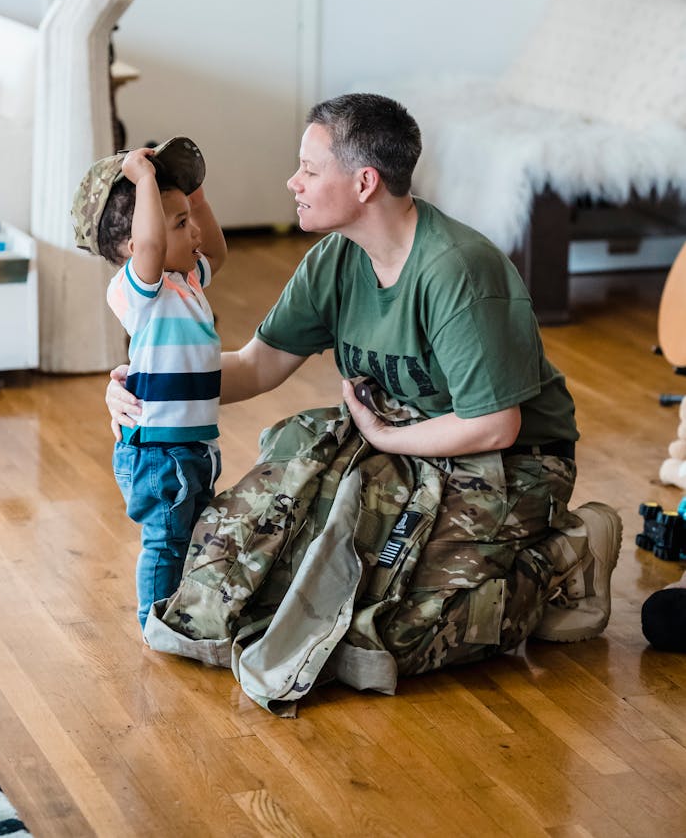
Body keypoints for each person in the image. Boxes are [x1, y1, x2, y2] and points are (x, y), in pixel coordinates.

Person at [107, 94, 622, 658]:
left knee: (397, 636)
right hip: (400, 442)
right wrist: (146, 387)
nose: (292, 183)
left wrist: (384, 438)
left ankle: (569, 551)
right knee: (275, 588)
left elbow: (495, 424)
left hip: (512, 457)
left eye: (308, 169)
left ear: (365, 183)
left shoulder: (457, 270)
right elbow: (256, 367)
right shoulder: (334, 259)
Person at [72, 136, 227, 632]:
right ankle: (154, 622)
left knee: (193, 532)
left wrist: (194, 196)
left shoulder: (187, 281)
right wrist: (141, 180)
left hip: (192, 445)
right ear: (137, 246)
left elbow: (218, 251)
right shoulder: (142, 290)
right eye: (181, 223)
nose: (195, 231)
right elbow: (155, 244)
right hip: (159, 451)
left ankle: (182, 611)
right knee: (165, 539)